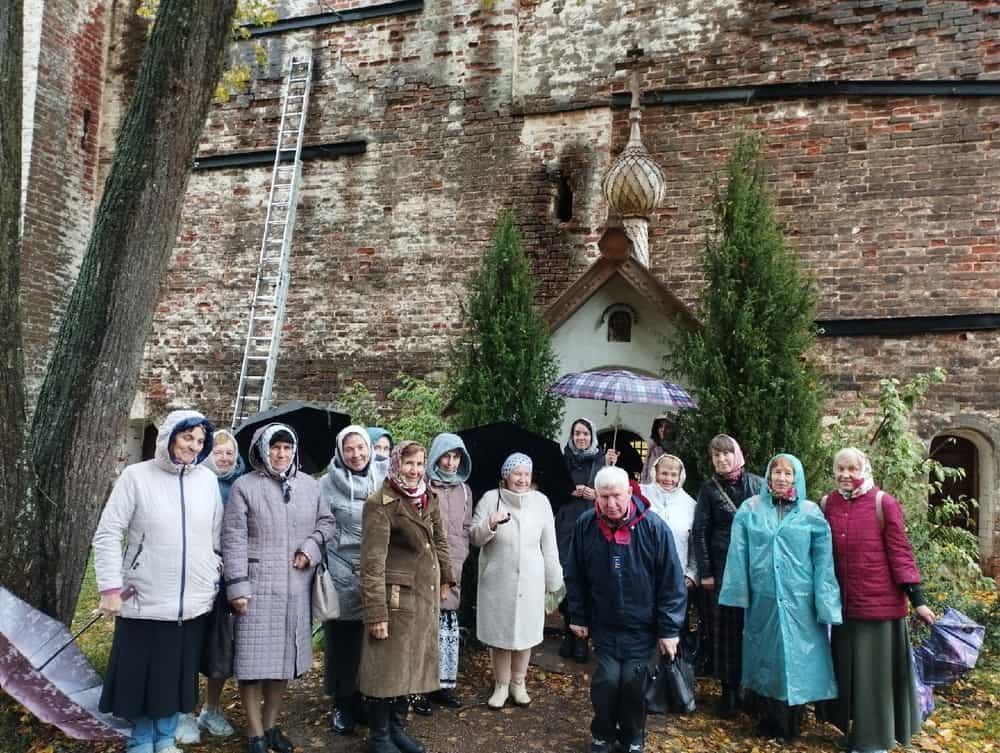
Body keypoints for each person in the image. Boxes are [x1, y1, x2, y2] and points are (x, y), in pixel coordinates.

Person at [93, 409, 222, 753]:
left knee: (174, 676)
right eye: (187, 437)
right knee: (142, 676)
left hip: (191, 602)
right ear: (169, 437)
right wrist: (110, 588)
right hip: (143, 598)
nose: (194, 446)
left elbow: (216, 536)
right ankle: (140, 741)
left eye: (199, 440)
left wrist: (212, 574)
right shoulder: (136, 477)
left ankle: (165, 740)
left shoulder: (207, 481)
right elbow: (107, 533)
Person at [223, 424, 336, 753]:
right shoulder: (245, 486)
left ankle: (271, 726)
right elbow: (233, 539)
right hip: (256, 588)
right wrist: (237, 588)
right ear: (263, 449)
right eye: (276, 447)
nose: (282, 454)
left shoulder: (309, 486)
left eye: (287, 448)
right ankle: (255, 733)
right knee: (253, 664)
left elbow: (326, 523)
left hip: (295, 589)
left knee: (283, 664)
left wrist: (310, 549)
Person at [818, 447, 935, 753]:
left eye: (852, 469)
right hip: (843, 609)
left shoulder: (884, 503)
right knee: (848, 674)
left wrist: (918, 600)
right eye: (840, 469)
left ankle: (874, 741)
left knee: (874, 678)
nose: (846, 475)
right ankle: (853, 731)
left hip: (879, 609)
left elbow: (901, 553)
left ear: (864, 469)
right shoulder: (827, 504)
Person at [719, 453, 842, 742]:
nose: (782, 478)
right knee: (766, 657)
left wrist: (827, 603)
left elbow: (824, 561)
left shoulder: (811, 512)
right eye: (777, 472)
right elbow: (738, 554)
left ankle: (792, 723)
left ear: (796, 477)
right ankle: (768, 720)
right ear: (768, 475)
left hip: (801, 600)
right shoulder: (750, 509)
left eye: (788, 473)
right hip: (764, 599)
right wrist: (737, 593)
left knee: (799, 658)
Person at [565, 466, 687, 753]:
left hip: (643, 628)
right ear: (596, 496)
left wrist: (669, 630)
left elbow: (671, 582)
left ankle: (633, 734)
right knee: (607, 681)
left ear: (630, 492)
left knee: (633, 683)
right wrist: (578, 616)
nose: (611, 504)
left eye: (617, 496)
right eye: (604, 497)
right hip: (604, 624)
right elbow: (575, 575)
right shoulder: (586, 525)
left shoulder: (654, 528)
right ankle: (603, 733)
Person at [358, 441, 454, 753]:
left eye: (419, 463)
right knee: (386, 667)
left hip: (423, 596)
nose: (414, 470)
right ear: (397, 464)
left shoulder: (429, 498)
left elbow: (439, 539)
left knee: (410, 665)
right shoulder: (381, 503)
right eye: (409, 463)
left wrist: (447, 578)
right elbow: (372, 563)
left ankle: (398, 729)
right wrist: (376, 613)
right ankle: (380, 736)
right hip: (394, 598)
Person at [471, 452, 564, 709]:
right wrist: (489, 524)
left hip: (531, 581)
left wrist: (555, 583)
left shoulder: (541, 502)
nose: (522, 479)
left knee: (526, 633)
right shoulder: (492, 499)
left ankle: (518, 683)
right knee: (500, 634)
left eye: (526, 474)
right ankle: (501, 685)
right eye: (516, 473)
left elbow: (550, 546)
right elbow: (474, 537)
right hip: (497, 580)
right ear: (506, 476)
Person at [175, 429, 248, 743]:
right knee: (191, 642)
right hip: (195, 574)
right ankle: (183, 711)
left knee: (222, 645)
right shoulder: (193, 483)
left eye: (230, 452)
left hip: (228, 575)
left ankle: (212, 707)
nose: (225, 458)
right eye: (218, 452)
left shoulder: (242, 486)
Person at [319, 425, 387, 735]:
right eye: (349, 449)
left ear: (369, 448)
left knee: (369, 642)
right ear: (340, 451)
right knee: (342, 642)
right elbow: (319, 525)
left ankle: (362, 698)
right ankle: (341, 703)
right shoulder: (326, 484)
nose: (356, 454)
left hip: (375, 571)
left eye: (361, 447)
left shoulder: (385, 479)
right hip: (340, 571)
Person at [691, 433, 763, 715]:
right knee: (724, 632)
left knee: (751, 627)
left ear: (737, 455)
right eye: (716, 456)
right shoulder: (709, 490)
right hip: (721, 569)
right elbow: (700, 531)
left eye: (726, 454)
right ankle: (729, 692)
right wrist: (706, 572)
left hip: (752, 568)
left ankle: (752, 691)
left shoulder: (757, 484)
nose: (722, 460)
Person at [411, 433, 474, 716]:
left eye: (456, 457)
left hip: (454, 569)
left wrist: (456, 565)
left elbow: (464, 530)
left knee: (446, 630)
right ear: (435, 457)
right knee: (424, 629)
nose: (450, 463)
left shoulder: (465, 490)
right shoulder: (422, 488)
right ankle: (418, 689)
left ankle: (441, 685)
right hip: (426, 569)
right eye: (445, 457)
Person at [555, 418, 617, 663]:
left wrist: (595, 494)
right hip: (566, 525)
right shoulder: (562, 459)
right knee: (567, 581)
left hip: (592, 526)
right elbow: (551, 489)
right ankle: (568, 633)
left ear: (592, 436)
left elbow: (613, 495)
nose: (581, 437)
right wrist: (568, 489)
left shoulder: (602, 461)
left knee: (588, 581)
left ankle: (582, 638)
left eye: (585, 433)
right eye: (577, 433)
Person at [639, 453, 698, 588]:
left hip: (675, 576)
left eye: (673, 474)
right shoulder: (641, 495)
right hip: (642, 573)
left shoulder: (690, 504)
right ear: (655, 472)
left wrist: (692, 574)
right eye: (664, 473)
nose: (668, 479)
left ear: (680, 476)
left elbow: (695, 543)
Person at [639, 415, 680, 484]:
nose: (663, 430)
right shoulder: (653, 445)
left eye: (668, 427)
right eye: (661, 426)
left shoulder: (678, 449)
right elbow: (646, 467)